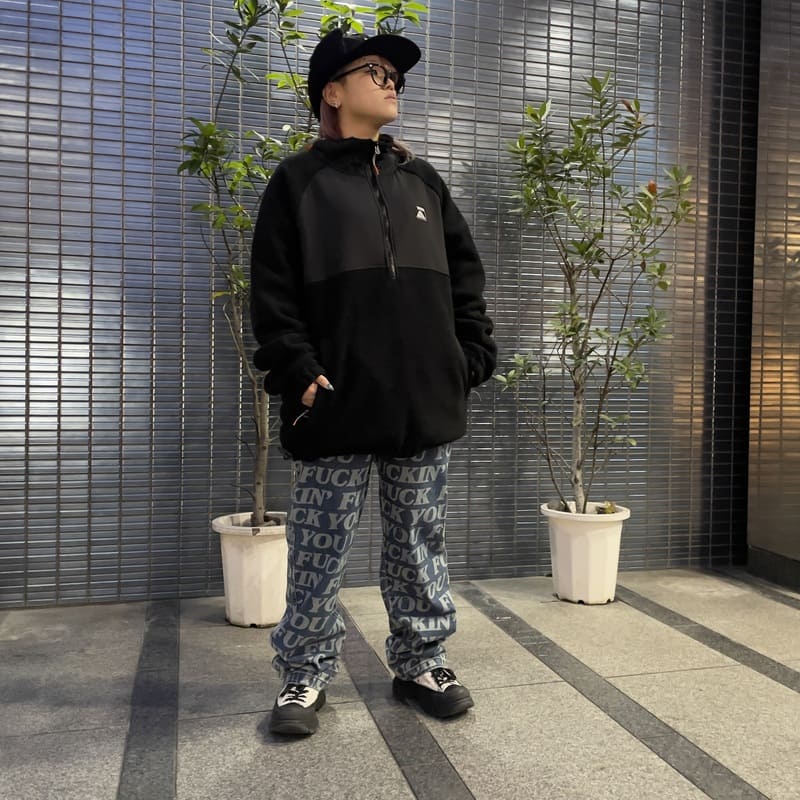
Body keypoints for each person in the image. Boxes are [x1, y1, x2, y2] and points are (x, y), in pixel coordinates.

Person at [250, 27, 496, 736]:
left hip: (423, 400)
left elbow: (466, 278)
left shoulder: (422, 182)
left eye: (396, 76)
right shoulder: (298, 182)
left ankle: (421, 662)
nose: (392, 83)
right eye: (375, 71)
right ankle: (304, 674)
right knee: (319, 546)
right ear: (331, 91)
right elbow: (272, 293)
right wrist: (299, 373)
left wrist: (469, 355)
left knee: (418, 539)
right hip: (335, 400)